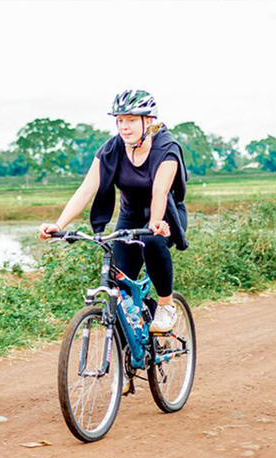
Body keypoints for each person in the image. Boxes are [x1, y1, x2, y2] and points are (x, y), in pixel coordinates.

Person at [39, 89, 189, 332]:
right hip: (129, 216)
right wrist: (59, 224)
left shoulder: (166, 148)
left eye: (131, 120)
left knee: (152, 241)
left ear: (148, 120)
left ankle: (165, 305)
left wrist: (156, 221)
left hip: (166, 216)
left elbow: (159, 193)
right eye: (120, 120)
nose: (124, 127)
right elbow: (87, 188)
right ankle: (137, 328)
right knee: (120, 288)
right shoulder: (112, 148)